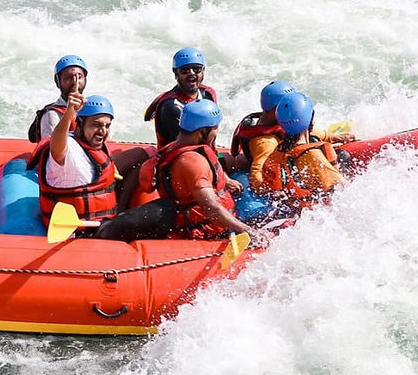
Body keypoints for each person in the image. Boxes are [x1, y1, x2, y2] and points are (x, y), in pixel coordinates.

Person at [94, 100, 267, 245]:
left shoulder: (173, 148)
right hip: (206, 234)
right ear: (203, 131)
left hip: (193, 221)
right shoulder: (193, 162)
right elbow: (211, 208)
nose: (216, 133)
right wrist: (249, 232)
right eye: (215, 129)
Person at [28, 92, 148, 225]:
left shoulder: (91, 144)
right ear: (79, 122)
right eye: (96, 125)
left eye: (107, 126)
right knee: (163, 212)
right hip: (84, 229)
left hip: (105, 221)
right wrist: (69, 114)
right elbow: (57, 146)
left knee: (142, 158)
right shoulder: (69, 149)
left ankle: (120, 211)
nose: (103, 131)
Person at [260, 91, 346, 205]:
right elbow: (343, 189)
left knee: (342, 155)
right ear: (309, 119)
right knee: (345, 157)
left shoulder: (278, 150)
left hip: (293, 206)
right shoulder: (312, 155)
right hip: (312, 211)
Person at [144, 47, 218, 147]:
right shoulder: (171, 106)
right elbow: (185, 145)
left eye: (197, 69)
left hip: (204, 151)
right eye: (185, 70)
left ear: (203, 70)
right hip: (177, 157)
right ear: (176, 72)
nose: (191, 73)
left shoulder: (208, 94)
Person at [231, 79, 296, 192]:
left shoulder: (278, 121)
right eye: (288, 106)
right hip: (277, 173)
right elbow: (257, 172)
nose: (293, 110)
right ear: (274, 110)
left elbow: (304, 129)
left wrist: (329, 136)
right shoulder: (266, 142)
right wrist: (271, 191)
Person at [28, 54, 87, 142]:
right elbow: (52, 151)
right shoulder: (51, 115)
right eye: (68, 78)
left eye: (79, 77)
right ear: (58, 82)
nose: (75, 82)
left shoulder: (91, 109)